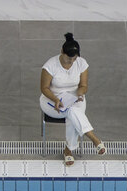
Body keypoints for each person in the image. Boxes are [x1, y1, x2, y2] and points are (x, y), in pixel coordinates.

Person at [40, 33, 106, 166]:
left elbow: (83, 86)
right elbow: (44, 88)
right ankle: (93, 138)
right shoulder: (50, 66)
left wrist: (79, 94)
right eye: (68, 59)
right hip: (52, 101)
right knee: (73, 112)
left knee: (72, 113)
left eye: (73, 59)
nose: (71, 62)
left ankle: (68, 150)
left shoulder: (81, 63)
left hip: (75, 99)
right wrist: (56, 99)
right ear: (61, 52)